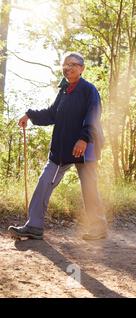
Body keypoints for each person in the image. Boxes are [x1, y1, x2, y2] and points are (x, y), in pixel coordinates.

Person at [8, 52, 107, 241]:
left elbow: (93, 114)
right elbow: (52, 114)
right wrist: (30, 115)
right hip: (62, 149)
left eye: (72, 65)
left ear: (81, 68)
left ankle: (98, 227)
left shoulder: (89, 90)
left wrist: (84, 139)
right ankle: (34, 226)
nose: (68, 68)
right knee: (45, 180)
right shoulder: (64, 91)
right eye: (65, 65)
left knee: (89, 187)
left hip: (86, 148)